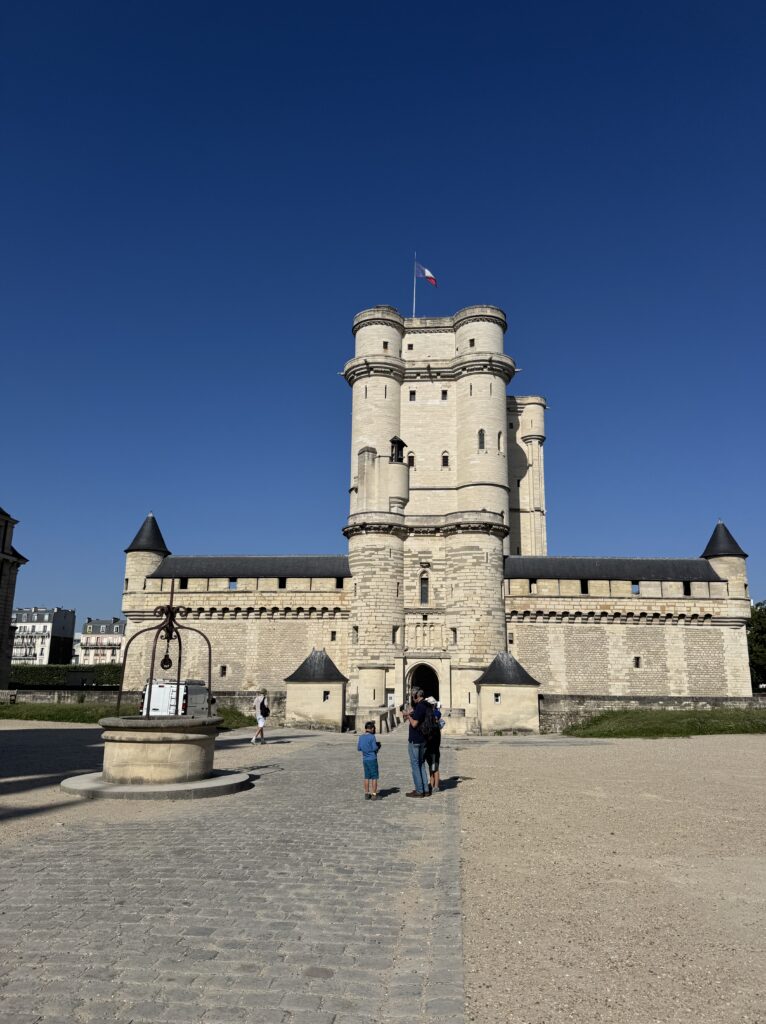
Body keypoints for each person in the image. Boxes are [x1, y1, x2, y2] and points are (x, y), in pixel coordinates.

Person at [404, 688, 431, 798]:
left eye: (413, 696)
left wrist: (408, 716)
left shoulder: (420, 706)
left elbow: (414, 724)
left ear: (416, 695)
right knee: (421, 764)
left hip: (416, 740)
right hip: (424, 739)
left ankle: (419, 790)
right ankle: (425, 789)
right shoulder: (427, 705)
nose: (412, 698)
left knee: (415, 765)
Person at [357, 721, 381, 800]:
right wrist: (378, 746)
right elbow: (374, 748)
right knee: (374, 777)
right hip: (372, 759)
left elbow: (359, 748)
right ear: (372, 728)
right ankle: (374, 794)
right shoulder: (372, 737)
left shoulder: (361, 737)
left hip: (365, 759)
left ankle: (366, 794)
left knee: (366, 777)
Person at [424, 696, 443, 793]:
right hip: (429, 747)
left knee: (435, 767)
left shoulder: (435, 714)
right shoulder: (430, 715)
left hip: (434, 747)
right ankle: (431, 784)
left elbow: (437, 716)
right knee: (431, 767)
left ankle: (436, 785)